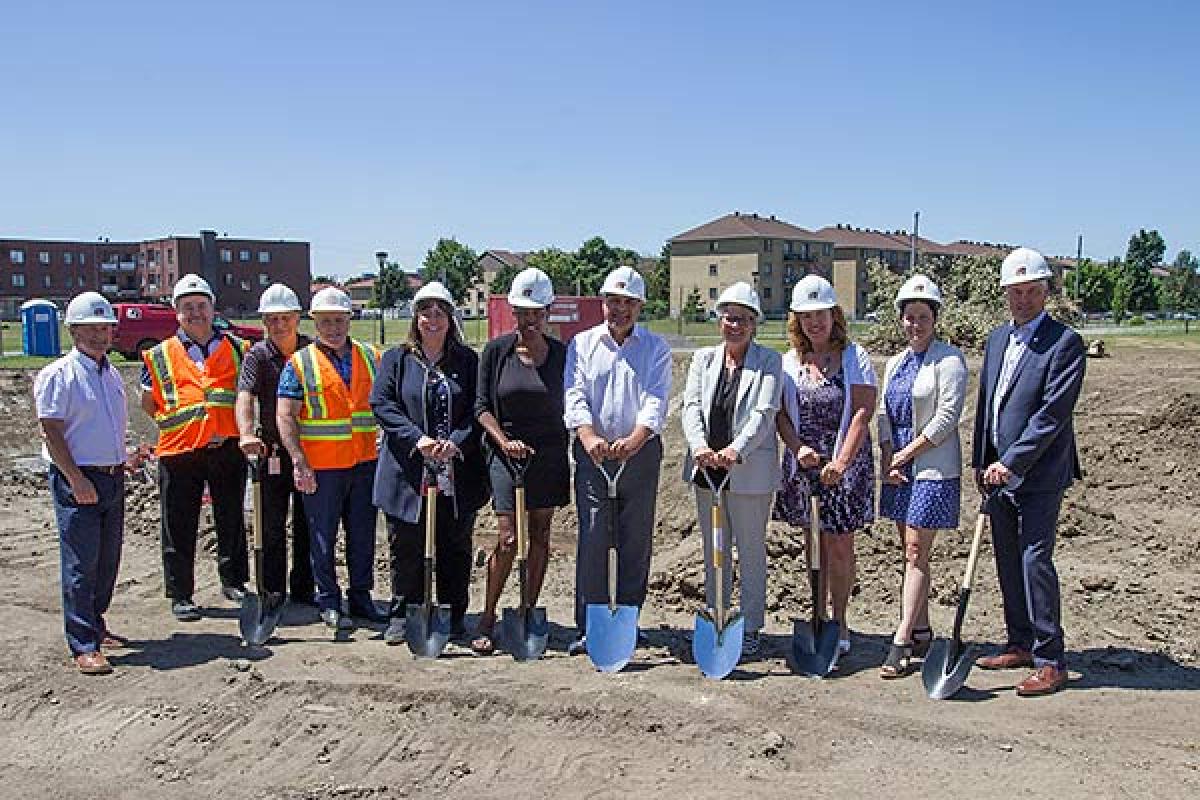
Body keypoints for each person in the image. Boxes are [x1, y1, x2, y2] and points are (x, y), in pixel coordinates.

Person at [972, 247, 1085, 697]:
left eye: (1030, 291)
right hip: (997, 472)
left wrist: (1011, 462)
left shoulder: (1065, 343)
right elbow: (988, 405)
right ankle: (1019, 641)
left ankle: (1050, 658)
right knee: (1005, 559)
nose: (1022, 300)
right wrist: (983, 460)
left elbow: (1051, 416)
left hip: (1038, 474)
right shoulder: (998, 338)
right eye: (1014, 292)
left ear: (1045, 293)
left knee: (1034, 559)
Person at [370, 281, 488, 644]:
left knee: (455, 545)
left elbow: (477, 409)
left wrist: (455, 443)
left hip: (455, 471)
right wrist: (417, 439)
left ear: (451, 319)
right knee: (406, 545)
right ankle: (405, 614)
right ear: (415, 318)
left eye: (440, 313)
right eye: (425, 312)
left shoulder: (467, 361)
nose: (432, 320)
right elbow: (382, 404)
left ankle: (452, 615)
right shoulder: (397, 359)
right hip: (407, 470)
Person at [563, 265, 671, 656]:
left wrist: (638, 437)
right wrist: (587, 434)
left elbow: (656, 397)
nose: (619, 309)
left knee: (634, 538)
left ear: (639, 306)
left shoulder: (655, 348)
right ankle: (590, 625)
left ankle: (627, 619)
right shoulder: (583, 344)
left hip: (639, 454)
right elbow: (574, 393)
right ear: (603, 303)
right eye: (613, 301)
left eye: (628, 303)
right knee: (593, 537)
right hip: (593, 453)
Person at [35, 292, 141, 674]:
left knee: (107, 559)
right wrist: (76, 478)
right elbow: (52, 431)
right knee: (81, 562)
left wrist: (123, 457)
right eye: (91, 329)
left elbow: (107, 427)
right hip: (78, 477)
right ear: (73, 330)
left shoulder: (110, 374)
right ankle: (83, 644)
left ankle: (96, 624)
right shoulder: (58, 376)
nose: (99, 335)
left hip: (110, 476)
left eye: (104, 328)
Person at [773, 274, 876, 661]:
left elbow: (863, 412)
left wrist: (841, 463)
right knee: (812, 543)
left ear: (835, 315)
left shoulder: (855, 356)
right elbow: (782, 414)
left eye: (822, 314)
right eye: (806, 315)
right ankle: (816, 616)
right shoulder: (789, 361)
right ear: (796, 320)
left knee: (838, 545)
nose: (815, 322)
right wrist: (797, 449)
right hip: (804, 466)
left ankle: (840, 619)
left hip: (844, 466)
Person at [470, 268, 569, 655]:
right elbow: (481, 407)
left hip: (547, 456)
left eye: (536, 313)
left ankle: (527, 610)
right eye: (522, 312)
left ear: (547, 312)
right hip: (505, 454)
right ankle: (487, 615)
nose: (528, 321)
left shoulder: (561, 355)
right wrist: (503, 441)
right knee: (509, 538)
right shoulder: (497, 352)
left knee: (541, 536)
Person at [140, 274, 249, 622]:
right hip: (180, 451)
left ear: (213, 308)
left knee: (230, 517)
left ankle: (233, 581)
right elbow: (148, 401)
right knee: (178, 522)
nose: (196, 313)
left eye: (201, 306)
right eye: (188, 308)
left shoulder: (237, 348)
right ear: (177, 313)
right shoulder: (158, 355)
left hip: (226, 447)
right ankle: (180, 593)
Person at [681, 282, 782, 657]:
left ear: (754, 323)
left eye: (742, 319)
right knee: (715, 551)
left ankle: (752, 625)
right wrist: (700, 448)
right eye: (728, 317)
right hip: (707, 471)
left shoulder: (769, 362)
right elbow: (690, 407)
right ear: (719, 320)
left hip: (747, 472)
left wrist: (735, 451)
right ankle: (717, 616)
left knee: (751, 551)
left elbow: (764, 414)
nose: (734, 325)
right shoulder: (704, 359)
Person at [276, 286, 385, 630]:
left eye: (339, 320)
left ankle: (361, 597)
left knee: (363, 534)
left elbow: (386, 406)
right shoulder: (300, 363)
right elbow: (285, 415)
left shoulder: (372, 357)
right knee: (322, 537)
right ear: (315, 322)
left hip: (365, 462)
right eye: (326, 322)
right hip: (321, 467)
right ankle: (329, 601)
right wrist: (298, 460)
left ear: (349, 320)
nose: (334, 328)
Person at [876, 275, 968, 678]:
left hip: (932, 467)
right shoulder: (896, 362)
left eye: (923, 316)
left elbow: (947, 418)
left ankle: (901, 640)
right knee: (910, 552)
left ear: (935, 318)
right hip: (898, 469)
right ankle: (923, 628)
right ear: (901, 320)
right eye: (909, 316)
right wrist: (887, 457)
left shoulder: (949, 360)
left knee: (915, 551)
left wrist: (906, 454)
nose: (916, 323)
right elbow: (883, 411)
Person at [235, 283, 314, 609]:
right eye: (272, 319)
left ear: (297, 318)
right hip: (271, 452)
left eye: (285, 318)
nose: (279, 325)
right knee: (270, 525)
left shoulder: (313, 351)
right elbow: (245, 397)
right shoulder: (257, 355)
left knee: (308, 524)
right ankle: (272, 591)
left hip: (310, 451)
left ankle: (305, 588)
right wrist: (245, 433)